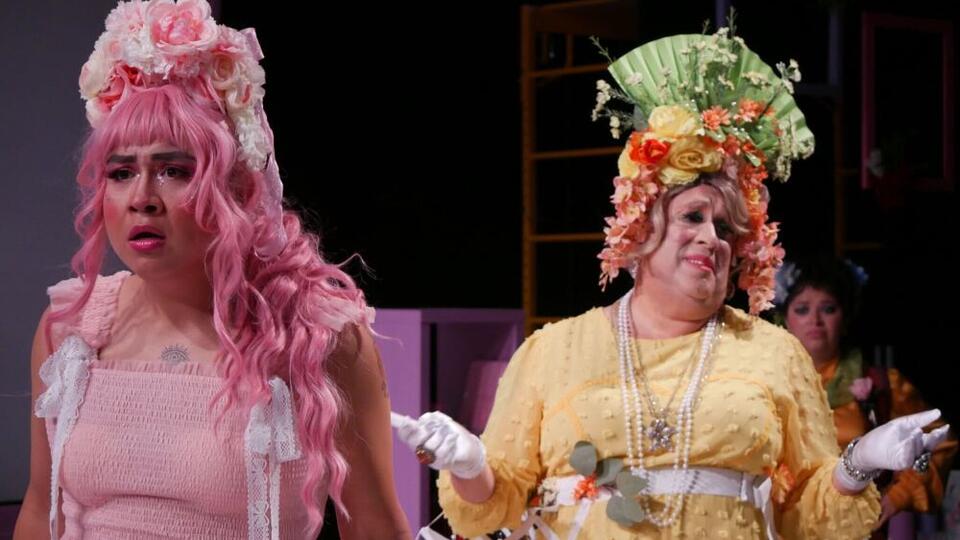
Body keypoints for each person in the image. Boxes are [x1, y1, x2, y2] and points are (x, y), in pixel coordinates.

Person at [392, 23, 950, 539]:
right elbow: (496, 506)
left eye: (726, 228)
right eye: (692, 217)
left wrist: (858, 464)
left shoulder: (774, 354)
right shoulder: (553, 351)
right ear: (640, 228)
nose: (712, 237)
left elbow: (809, 517)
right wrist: (470, 465)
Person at [13, 1, 410, 538]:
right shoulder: (71, 330)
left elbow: (376, 528)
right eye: (121, 172)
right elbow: (42, 509)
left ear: (237, 187)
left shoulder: (316, 337)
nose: (141, 197)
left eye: (174, 170)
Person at [778, 257, 957, 528]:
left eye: (828, 309)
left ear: (845, 318)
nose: (815, 320)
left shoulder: (881, 383)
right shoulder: (765, 384)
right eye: (802, 309)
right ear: (785, 320)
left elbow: (940, 439)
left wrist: (899, 495)